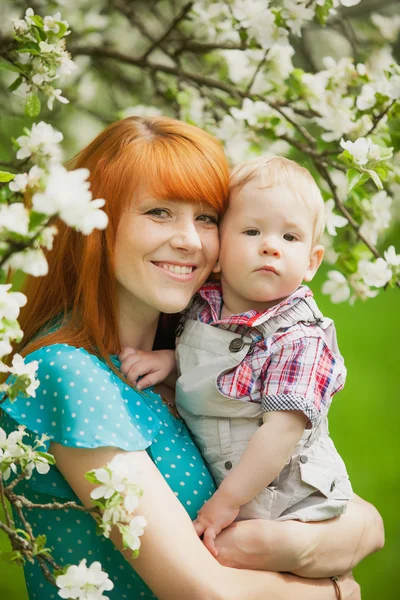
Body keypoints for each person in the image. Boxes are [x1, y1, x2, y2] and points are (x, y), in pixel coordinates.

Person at [0, 117, 383, 600]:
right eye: (159, 212)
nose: (190, 240)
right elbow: (207, 592)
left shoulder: (201, 356)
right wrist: (336, 591)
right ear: (97, 223)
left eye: (206, 217)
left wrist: (315, 541)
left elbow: (368, 524)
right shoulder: (70, 373)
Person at [119, 156, 353, 558]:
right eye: (251, 230)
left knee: (234, 557)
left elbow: (279, 434)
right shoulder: (204, 308)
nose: (270, 246)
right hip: (237, 497)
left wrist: (227, 501)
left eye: (290, 238)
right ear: (220, 249)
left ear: (312, 262)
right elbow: (223, 372)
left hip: (289, 503)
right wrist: (171, 362)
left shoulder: (301, 340)